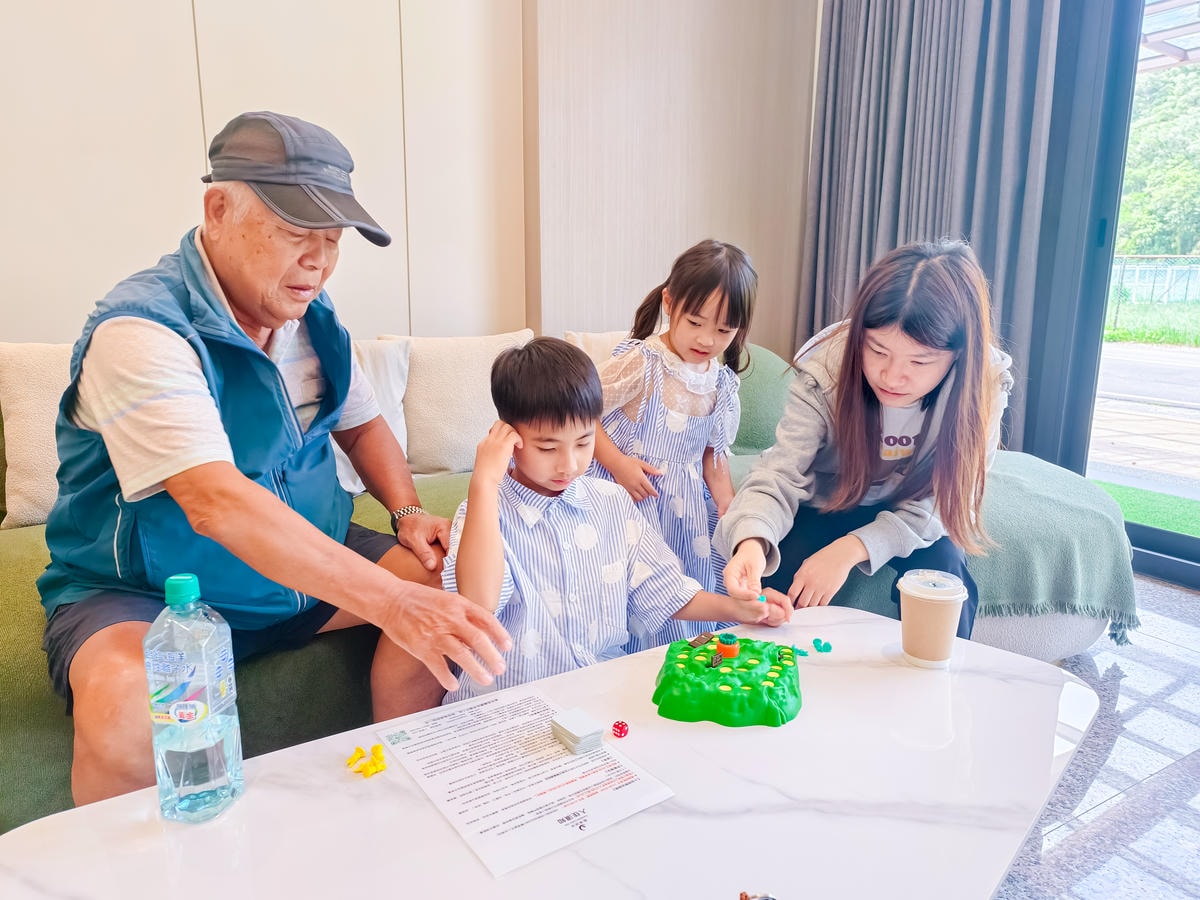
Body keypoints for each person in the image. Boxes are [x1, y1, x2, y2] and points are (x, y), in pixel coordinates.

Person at [37, 111, 510, 805]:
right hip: (151, 591)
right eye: (295, 233)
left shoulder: (309, 319)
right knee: (125, 699)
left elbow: (365, 423)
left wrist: (407, 513)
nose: (317, 260)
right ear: (218, 209)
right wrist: (391, 601)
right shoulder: (141, 331)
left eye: (331, 240)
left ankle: (406, 786)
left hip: (305, 562)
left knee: (443, 579)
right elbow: (214, 501)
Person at [441, 337, 790, 703]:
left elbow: (666, 593)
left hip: (599, 700)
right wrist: (484, 481)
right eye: (548, 448)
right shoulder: (483, 514)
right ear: (507, 437)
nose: (569, 464)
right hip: (509, 707)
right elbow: (480, 604)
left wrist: (741, 609)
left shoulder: (611, 503)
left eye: (583, 442)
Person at [716, 239, 1014, 638]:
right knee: (771, 597)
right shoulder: (825, 372)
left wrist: (852, 549)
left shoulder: (983, 386)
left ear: (958, 355)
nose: (892, 376)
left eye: (919, 361)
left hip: (909, 509)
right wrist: (752, 541)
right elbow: (781, 473)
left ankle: (935, 692)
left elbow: (940, 508)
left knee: (946, 579)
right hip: (825, 502)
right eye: (877, 351)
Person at [589, 239, 758, 652]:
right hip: (629, 501)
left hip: (685, 516)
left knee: (691, 595)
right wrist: (617, 463)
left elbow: (713, 461)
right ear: (670, 302)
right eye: (696, 322)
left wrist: (728, 509)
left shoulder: (722, 383)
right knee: (636, 595)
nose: (707, 339)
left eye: (723, 330)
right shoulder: (642, 361)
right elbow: (577, 412)